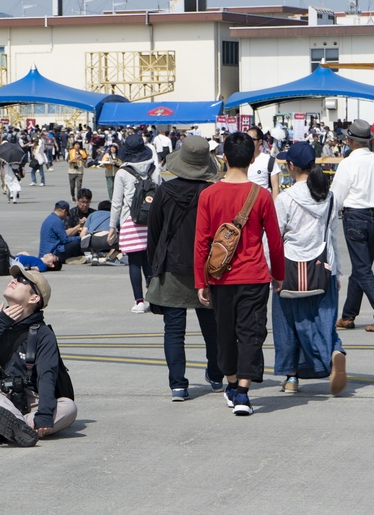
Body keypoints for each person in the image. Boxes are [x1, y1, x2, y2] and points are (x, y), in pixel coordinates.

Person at [194, 132, 285, 416]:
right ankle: (243, 392)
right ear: (253, 158)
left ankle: (232, 383)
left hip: (221, 278)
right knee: (251, 333)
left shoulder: (208, 194)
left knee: (224, 333)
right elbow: (275, 239)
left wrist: (201, 281)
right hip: (255, 275)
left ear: (223, 157)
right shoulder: (262, 195)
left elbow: (201, 241)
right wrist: (278, 273)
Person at [0, 263, 76, 446]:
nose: (14, 280)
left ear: (34, 298)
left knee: (69, 407)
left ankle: (6, 429)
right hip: (0, 396)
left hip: (32, 400)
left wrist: (45, 415)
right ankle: (21, 427)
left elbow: (48, 375)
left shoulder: (42, 334)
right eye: (14, 278)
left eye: (22, 280)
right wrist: (0, 324)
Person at [145, 135, 223, 401]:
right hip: (206, 270)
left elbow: (153, 234)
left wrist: (152, 270)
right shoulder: (212, 192)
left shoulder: (164, 191)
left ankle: (178, 385)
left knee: (174, 330)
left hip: (170, 268)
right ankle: (215, 374)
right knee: (212, 329)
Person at [271, 142, 347, 396]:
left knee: (288, 325)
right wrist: (336, 272)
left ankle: (291, 378)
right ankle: (335, 351)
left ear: (292, 166)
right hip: (323, 269)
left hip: (290, 271)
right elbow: (333, 234)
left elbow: (273, 239)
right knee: (323, 321)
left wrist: (273, 273)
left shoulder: (285, 198)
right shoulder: (329, 196)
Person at [332, 119, 374, 332]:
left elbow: (337, 197)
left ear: (350, 141)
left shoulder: (348, 163)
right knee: (362, 268)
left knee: (362, 268)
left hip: (355, 217)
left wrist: (329, 221)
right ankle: (348, 315)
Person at [109, 134, 158, 312]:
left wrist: (112, 227)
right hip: (152, 221)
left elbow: (116, 202)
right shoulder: (154, 169)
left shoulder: (122, 172)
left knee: (135, 263)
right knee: (150, 262)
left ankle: (139, 301)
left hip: (131, 221)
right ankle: (154, 299)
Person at [39, 201, 81, 270]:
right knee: (76, 243)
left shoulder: (49, 218)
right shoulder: (57, 221)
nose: (65, 217)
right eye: (66, 214)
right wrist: (79, 238)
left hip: (45, 253)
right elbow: (65, 240)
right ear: (64, 211)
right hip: (53, 252)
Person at [245, 126, 281, 200]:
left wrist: (274, 208)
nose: (248, 142)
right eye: (246, 139)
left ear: (260, 141)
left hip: (263, 204)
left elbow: (275, 188)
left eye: (252, 139)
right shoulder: (240, 160)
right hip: (244, 204)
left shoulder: (268, 160)